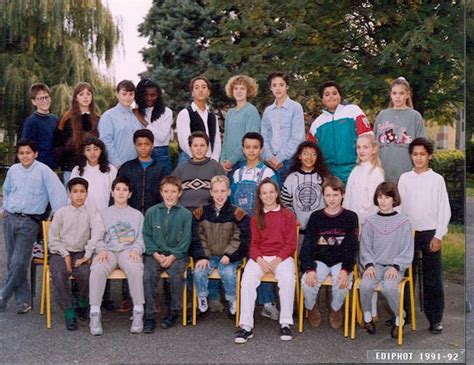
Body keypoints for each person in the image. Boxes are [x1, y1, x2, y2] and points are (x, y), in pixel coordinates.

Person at [0, 139, 68, 313]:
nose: (25, 156)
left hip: (29, 222)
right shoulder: (14, 171)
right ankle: (23, 302)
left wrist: (54, 218)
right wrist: (5, 208)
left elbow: (59, 196)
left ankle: (3, 295)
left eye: (28, 153)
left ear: (35, 154)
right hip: (10, 218)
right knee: (13, 262)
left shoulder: (44, 171)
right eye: (21, 153)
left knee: (18, 261)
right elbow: (6, 190)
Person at [398, 138, 451, 334]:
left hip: (430, 233)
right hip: (408, 233)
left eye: (422, 154)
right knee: (404, 274)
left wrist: (439, 235)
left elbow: (444, 209)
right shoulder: (405, 178)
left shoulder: (436, 179)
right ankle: (404, 315)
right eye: (415, 154)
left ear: (429, 156)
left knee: (432, 278)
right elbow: (400, 207)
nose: (418, 158)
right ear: (411, 156)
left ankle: (435, 318)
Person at [235, 178, 297, 344]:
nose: (268, 196)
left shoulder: (288, 216)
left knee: (288, 279)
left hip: (282, 257)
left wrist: (278, 260)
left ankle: (285, 322)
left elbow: (291, 244)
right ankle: (246, 326)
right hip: (261, 257)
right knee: (247, 280)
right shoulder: (256, 218)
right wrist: (259, 259)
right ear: (260, 196)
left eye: (271, 192)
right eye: (264, 193)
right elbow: (253, 244)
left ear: (276, 194)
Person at [230, 132, 279, 319]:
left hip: (262, 225)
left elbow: (274, 198)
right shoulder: (237, 173)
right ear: (243, 149)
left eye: (255, 147)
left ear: (261, 149)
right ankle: (234, 300)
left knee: (263, 259)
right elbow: (232, 199)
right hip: (240, 226)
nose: (251, 151)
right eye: (248, 147)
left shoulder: (267, 173)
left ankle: (267, 303)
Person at [88, 177, 145, 335]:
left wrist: (136, 250)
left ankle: (138, 310)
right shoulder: (103, 214)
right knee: (98, 268)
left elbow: (141, 237)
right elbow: (97, 236)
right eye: (118, 189)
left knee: (135, 268)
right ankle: (94, 312)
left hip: (128, 250)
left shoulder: (137, 215)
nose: (121, 192)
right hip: (109, 250)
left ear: (130, 194)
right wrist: (101, 249)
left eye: (125, 190)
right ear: (112, 192)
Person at [300, 177, 358, 329]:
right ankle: (311, 307)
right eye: (328, 195)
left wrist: (346, 269)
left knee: (342, 283)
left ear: (342, 195)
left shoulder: (351, 217)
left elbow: (352, 247)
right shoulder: (316, 217)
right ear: (323, 196)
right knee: (308, 282)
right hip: (319, 260)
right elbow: (307, 246)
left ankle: (336, 309)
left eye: (335, 195)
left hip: (340, 261)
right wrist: (310, 269)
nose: (332, 199)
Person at [359, 182, 413, 339]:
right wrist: (368, 265)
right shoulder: (370, 222)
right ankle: (368, 316)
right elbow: (365, 247)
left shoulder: (404, 222)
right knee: (365, 285)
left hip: (395, 266)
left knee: (389, 287)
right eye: (379, 197)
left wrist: (396, 266)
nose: (383, 201)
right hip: (375, 265)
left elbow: (406, 248)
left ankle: (399, 317)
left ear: (394, 199)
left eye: (387, 197)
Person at [48, 177, 103, 330]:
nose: (79, 195)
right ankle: (69, 310)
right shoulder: (61, 213)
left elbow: (98, 231)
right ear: (69, 194)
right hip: (59, 251)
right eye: (75, 192)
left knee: (86, 273)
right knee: (59, 273)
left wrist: (87, 254)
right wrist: (64, 254)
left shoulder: (91, 211)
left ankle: (82, 302)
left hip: (81, 251)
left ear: (87, 194)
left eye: (82, 192)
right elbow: (52, 239)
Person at [192, 175, 250, 316]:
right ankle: (202, 300)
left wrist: (229, 255)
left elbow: (241, 238)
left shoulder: (238, 213)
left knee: (229, 273)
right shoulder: (200, 213)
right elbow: (197, 236)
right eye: (216, 191)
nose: (219, 195)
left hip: (228, 257)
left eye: (223, 191)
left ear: (229, 191)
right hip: (208, 256)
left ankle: (232, 300)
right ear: (211, 192)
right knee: (198, 272)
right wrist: (202, 256)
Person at [142, 176, 192, 332]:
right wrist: (156, 254)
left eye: (173, 191)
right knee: (147, 276)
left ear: (179, 193)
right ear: (161, 193)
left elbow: (186, 240)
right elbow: (147, 235)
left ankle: (174, 312)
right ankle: (149, 315)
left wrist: (173, 256)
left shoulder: (185, 214)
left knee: (176, 276)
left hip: (176, 255)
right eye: (166, 191)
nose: (169, 195)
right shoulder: (152, 212)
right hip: (155, 254)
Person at [342, 133, 384, 320]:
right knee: (355, 266)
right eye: (358, 147)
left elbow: (375, 203)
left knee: (369, 268)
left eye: (365, 147)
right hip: (353, 226)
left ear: (374, 149)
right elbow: (348, 200)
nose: (361, 151)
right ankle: (357, 308)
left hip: (369, 227)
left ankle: (371, 311)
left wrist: (363, 225)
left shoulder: (376, 173)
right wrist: (348, 223)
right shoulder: (355, 171)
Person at [308, 81, 372, 185]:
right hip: (329, 173)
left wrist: (367, 164)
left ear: (340, 96)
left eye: (334, 93)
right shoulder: (317, 124)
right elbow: (312, 151)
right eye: (327, 94)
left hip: (355, 168)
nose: (331, 97)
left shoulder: (353, 111)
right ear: (322, 99)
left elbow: (367, 137)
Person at [281, 141, 332, 251]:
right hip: (299, 230)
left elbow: (331, 201)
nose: (309, 157)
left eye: (313, 154)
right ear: (299, 156)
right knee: (299, 259)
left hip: (320, 230)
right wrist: (293, 217)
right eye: (306, 153)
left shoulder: (324, 178)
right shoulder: (291, 178)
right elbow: (285, 202)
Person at [374, 77, 426, 182]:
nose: (397, 97)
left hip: (407, 173)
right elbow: (374, 145)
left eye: (401, 93)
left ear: (407, 95)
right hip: (383, 173)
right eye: (394, 93)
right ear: (390, 94)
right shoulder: (382, 115)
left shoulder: (415, 116)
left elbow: (421, 148)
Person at [260, 72, 305, 183]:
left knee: (289, 196)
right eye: (274, 85)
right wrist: (270, 157)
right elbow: (264, 137)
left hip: (291, 161)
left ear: (287, 86)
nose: (278, 88)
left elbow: (297, 138)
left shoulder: (296, 108)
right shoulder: (268, 111)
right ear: (271, 88)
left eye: (281, 84)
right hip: (271, 162)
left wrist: (279, 158)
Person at [54, 82, 100, 184]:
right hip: (71, 168)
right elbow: (58, 143)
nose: (85, 97)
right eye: (81, 94)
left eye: (88, 94)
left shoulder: (98, 119)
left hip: (92, 168)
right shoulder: (66, 118)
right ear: (75, 98)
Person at [172, 131, 225, 212]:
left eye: (202, 145)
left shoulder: (216, 167)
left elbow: (224, 193)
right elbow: (171, 192)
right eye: (195, 145)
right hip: (184, 211)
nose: (199, 148)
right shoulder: (180, 169)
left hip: (208, 211)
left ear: (207, 147)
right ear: (190, 148)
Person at [117, 129, 165, 215]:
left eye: (147, 144)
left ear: (152, 145)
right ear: (135, 146)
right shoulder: (126, 168)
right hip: (130, 214)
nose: (143, 148)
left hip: (155, 214)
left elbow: (167, 192)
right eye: (139, 144)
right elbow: (117, 192)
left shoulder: (161, 168)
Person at [221, 75, 261, 174]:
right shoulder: (230, 113)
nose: (239, 91)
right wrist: (222, 160)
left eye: (242, 88)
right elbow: (226, 138)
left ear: (248, 91)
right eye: (236, 88)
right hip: (227, 164)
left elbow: (250, 141)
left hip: (244, 161)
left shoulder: (251, 111)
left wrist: (232, 160)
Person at [176, 76, 221, 164]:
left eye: (204, 87)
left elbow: (216, 141)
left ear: (208, 92)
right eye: (197, 87)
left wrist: (214, 160)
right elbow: (184, 142)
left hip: (209, 161)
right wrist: (199, 160)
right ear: (192, 92)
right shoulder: (185, 113)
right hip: (189, 160)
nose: (200, 90)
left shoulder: (212, 115)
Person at [98, 80, 143, 167]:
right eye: (124, 94)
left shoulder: (137, 116)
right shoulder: (108, 116)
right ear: (117, 94)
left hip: (137, 166)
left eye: (131, 94)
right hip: (116, 166)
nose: (128, 97)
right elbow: (106, 142)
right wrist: (118, 164)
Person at [134, 78, 174, 175]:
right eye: (146, 95)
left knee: (164, 186)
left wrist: (143, 122)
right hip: (140, 153)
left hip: (160, 153)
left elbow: (162, 137)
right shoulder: (138, 111)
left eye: (153, 95)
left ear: (158, 95)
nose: (149, 98)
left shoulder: (166, 112)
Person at [71, 137, 117, 211]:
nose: (92, 153)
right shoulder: (77, 170)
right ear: (83, 152)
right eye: (88, 149)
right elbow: (72, 193)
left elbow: (115, 193)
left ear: (101, 151)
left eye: (96, 149)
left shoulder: (110, 169)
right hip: (83, 212)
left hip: (105, 212)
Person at [21, 83, 58, 170]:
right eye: (40, 98)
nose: (44, 101)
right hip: (36, 167)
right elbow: (26, 147)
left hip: (53, 166)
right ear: (33, 101)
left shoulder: (55, 119)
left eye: (46, 97)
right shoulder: (31, 122)